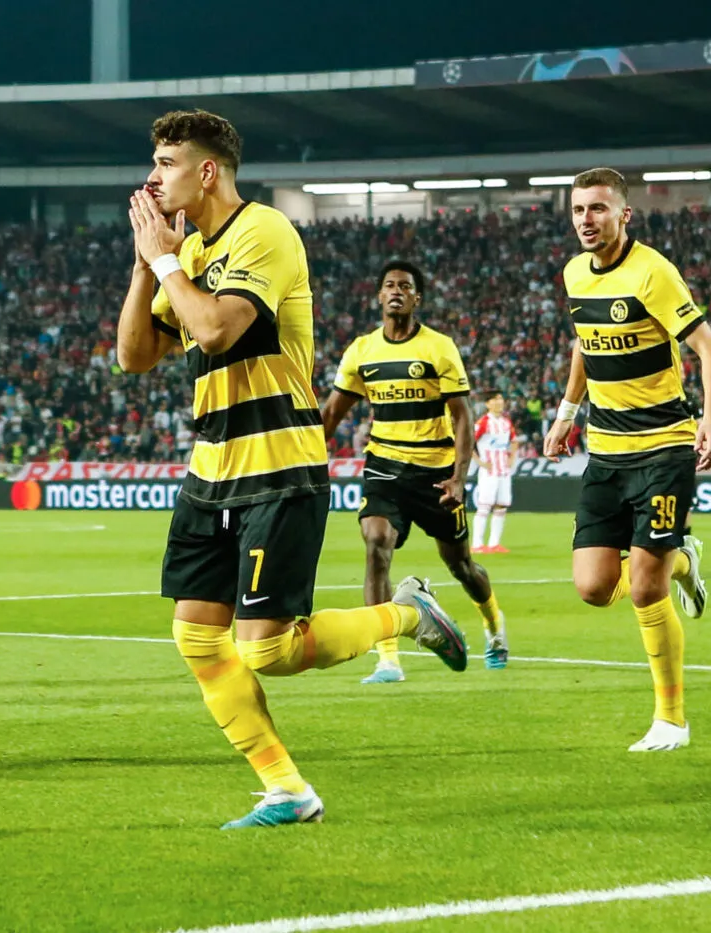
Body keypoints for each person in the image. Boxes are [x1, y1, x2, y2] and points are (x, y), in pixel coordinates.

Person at [118, 110, 468, 830]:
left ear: (207, 171)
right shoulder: (184, 255)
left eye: (167, 163)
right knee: (195, 636)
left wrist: (163, 262)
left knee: (269, 649)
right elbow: (135, 355)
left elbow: (215, 327)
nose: (153, 177)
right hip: (210, 466)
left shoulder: (265, 232)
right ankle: (286, 789)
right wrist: (142, 260)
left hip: (280, 465)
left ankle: (408, 613)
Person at [544, 167, 711, 752]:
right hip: (606, 449)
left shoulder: (653, 272)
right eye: (577, 210)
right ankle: (680, 560)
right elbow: (583, 342)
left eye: (597, 209)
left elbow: (707, 346)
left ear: (624, 215)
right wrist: (567, 414)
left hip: (664, 446)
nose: (586, 221)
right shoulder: (575, 274)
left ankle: (671, 720)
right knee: (595, 587)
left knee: (643, 589)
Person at [322, 262, 509, 680]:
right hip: (385, 467)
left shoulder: (439, 348)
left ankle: (494, 626)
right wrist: (301, 458)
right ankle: (388, 658)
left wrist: (460, 476)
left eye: (405, 287)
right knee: (375, 544)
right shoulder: (362, 351)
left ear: (416, 298)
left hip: (436, 474)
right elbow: (333, 413)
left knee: (461, 566)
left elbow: (462, 416)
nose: (396, 292)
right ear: (378, 296)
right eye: (388, 285)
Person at [471, 390, 520, 554]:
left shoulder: (506, 422)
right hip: (489, 471)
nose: (500, 402)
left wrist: (511, 458)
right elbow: (467, 442)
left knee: (501, 506)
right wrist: (480, 462)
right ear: (487, 404)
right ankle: (477, 544)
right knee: (484, 506)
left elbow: (514, 441)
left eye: (501, 399)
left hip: (504, 471)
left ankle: (494, 544)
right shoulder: (483, 422)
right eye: (495, 399)